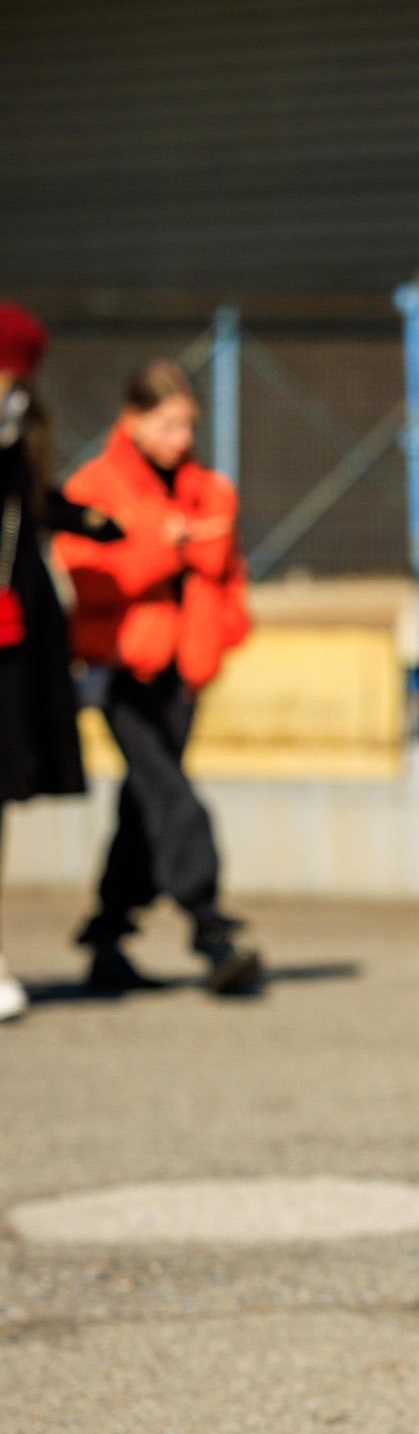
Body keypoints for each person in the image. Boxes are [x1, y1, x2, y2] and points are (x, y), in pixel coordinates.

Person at [55, 360, 260, 995]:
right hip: (122, 668)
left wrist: (225, 633)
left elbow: (228, 573)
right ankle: (208, 924)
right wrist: (162, 548)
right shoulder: (93, 488)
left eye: (187, 424)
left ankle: (109, 934)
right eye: (167, 423)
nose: (180, 437)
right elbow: (85, 579)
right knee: (171, 793)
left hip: (187, 669)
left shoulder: (210, 489)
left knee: (146, 799)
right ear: (133, 421)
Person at [0, 302, 122, 1024]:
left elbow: (35, 505)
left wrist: (88, 522)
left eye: (18, 378)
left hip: (15, 637)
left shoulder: (22, 433)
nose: (14, 390)